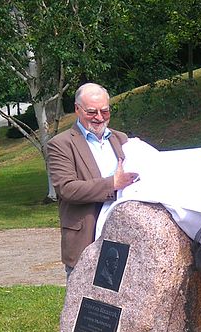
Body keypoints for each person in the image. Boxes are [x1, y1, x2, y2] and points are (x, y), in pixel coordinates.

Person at [47, 83, 138, 276]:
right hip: (85, 241)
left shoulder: (121, 139)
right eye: (91, 112)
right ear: (77, 109)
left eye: (104, 111)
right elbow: (66, 188)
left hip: (122, 238)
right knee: (83, 305)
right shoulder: (61, 144)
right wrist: (112, 184)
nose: (99, 117)